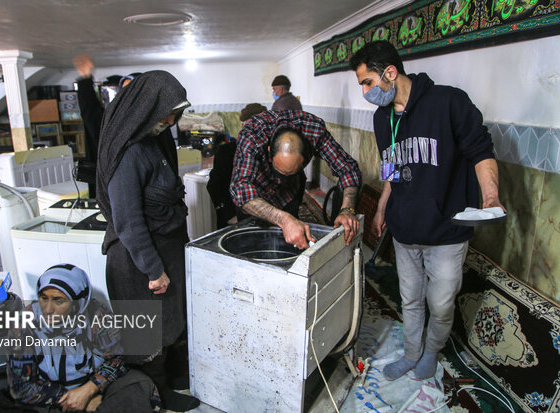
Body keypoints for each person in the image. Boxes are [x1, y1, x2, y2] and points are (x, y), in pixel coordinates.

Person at [350, 40, 505, 381]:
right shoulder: (382, 118)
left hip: (446, 233)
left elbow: (481, 151)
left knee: (441, 303)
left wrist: (490, 197)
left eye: (367, 82)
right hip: (405, 232)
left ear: (390, 73)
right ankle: (411, 352)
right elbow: (390, 167)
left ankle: (431, 352)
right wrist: (381, 208)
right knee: (410, 300)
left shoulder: (448, 102)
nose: (364, 91)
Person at [96, 70, 199, 412]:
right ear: (145, 108)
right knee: (146, 334)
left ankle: (171, 379)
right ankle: (155, 391)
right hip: (137, 260)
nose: (171, 121)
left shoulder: (155, 139)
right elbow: (127, 220)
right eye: (166, 113)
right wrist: (154, 270)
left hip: (162, 250)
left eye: (175, 113)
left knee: (169, 322)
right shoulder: (129, 153)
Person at [6, 264, 157, 412]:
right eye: (43, 298)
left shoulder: (98, 316)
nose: (48, 309)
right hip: (50, 394)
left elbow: (117, 359)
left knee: (140, 385)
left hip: (93, 386)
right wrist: (73, 399)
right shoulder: (23, 325)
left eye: (59, 301)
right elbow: (21, 387)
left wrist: (90, 390)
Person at [229, 110, 362, 249]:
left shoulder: (314, 130)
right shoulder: (253, 134)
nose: (282, 179)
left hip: (290, 192)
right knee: (252, 243)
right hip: (256, 196)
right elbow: (240, 189)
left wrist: (347, 209)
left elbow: (349, 169)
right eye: (280, 172)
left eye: (290, 172)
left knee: (289, 242)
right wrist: (284, 219)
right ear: (268, 150)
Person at [207, 103, 267, 228]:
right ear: (242, 126)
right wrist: (228, 215)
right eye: (249, 126)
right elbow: (214, 185)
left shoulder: (270, 151)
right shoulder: (226, 152)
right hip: (235, 217)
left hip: (265, 216)